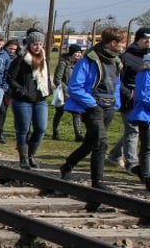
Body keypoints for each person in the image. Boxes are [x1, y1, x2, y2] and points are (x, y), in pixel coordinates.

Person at [61, 26, 127, 189]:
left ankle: (68, 165)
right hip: (93, 106)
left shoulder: (116, 61)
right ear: (113, 43)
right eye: (122, 43)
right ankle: (98, 182)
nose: (124, 46)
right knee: (101, 142)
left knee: (91, 142)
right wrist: (92, 104)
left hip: (109, 106)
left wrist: (116, 103)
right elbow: (75, 86)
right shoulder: (89, 60)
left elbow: (116, 84)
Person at [5, 30, 52, 169]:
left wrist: (48, 88)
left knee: (41, 128)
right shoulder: (21, 58)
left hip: (40, 99)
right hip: (23, 100)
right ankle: (24, 158)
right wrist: (21, 90)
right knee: (23, 129)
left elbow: (46, 76)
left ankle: (31, 154)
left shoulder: (44, 58)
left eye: (40, 44)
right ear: (29, 44)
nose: (38, 47)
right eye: (35, 44)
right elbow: (10, 77)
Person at [106, 27, 150, 173]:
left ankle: (114, 154)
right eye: (145, 38)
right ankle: (132, 164)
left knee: (134, 130)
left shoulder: (148, 55)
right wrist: (128, 93)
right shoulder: (126, 56)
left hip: (144, 101)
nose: (148, 41)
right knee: (133, 130)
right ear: (137, 39)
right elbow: (118, 79)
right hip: (129, 99)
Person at [124, 58, 150, 189]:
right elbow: (144, 96)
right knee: (147, 147)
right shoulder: (145, 74)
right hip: (146, 115)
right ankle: (146, 176)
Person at [52, 44, 84, 141]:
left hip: (75, 93)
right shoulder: (63, 63)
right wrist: (66, 90)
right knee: (59, 112)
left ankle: (78, 135)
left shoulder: (80, 64)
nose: (78, 54)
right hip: (64, 93)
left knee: (77, 112)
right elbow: (57, 79)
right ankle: (55, 132)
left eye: (80, 52)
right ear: (72, 53)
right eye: (76, 52)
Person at [0, 39, 21, 144]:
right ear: (5, 47)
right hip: (0, 87)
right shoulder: (1, 57)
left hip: (11, 89)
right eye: (10, 49)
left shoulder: (18, 59)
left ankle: (0, 132)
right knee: (1, 111)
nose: (12, 51)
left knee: (5, 111)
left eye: (14, 49)